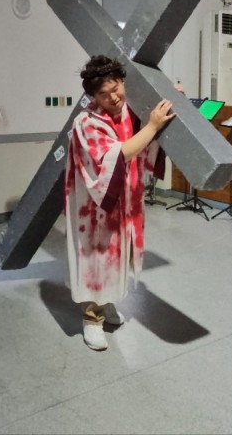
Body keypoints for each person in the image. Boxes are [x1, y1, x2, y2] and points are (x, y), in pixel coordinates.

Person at [65, 55, 173, 351]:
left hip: (126, 202)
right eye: (104, 94)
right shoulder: (87, 122)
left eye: (116, 88)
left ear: (123, 82)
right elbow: (118, 155)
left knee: (118, 256)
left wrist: (171, 99)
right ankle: (91, 318)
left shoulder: (130, 110)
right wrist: (151, 127)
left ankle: (107, 301)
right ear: (93, 96)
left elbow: (146, 145)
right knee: (96, 259)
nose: (113, 97)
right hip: (95, 208)